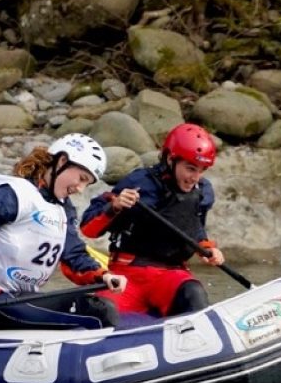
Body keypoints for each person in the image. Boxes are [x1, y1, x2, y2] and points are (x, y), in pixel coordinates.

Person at [0, 134, 125, 330]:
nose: (80, 188)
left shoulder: (62, 208)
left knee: (100, 303)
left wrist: (104, 276)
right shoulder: (12, 194)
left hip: (21, 297)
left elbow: (73, 254)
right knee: (101, 311)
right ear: (62, 161)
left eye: (87, 184)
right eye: (81, 178)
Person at [80, 122, 223, 317]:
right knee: (102, 311)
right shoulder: (139, 183)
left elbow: (193, 226)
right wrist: (115, 206)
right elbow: (88, 229)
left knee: (193, 293)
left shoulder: (202, 192)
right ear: (171, 160)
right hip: (128, 275)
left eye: (201, 170)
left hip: (171, 276)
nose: (195, 178)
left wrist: (206, 247)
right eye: (190, 168)